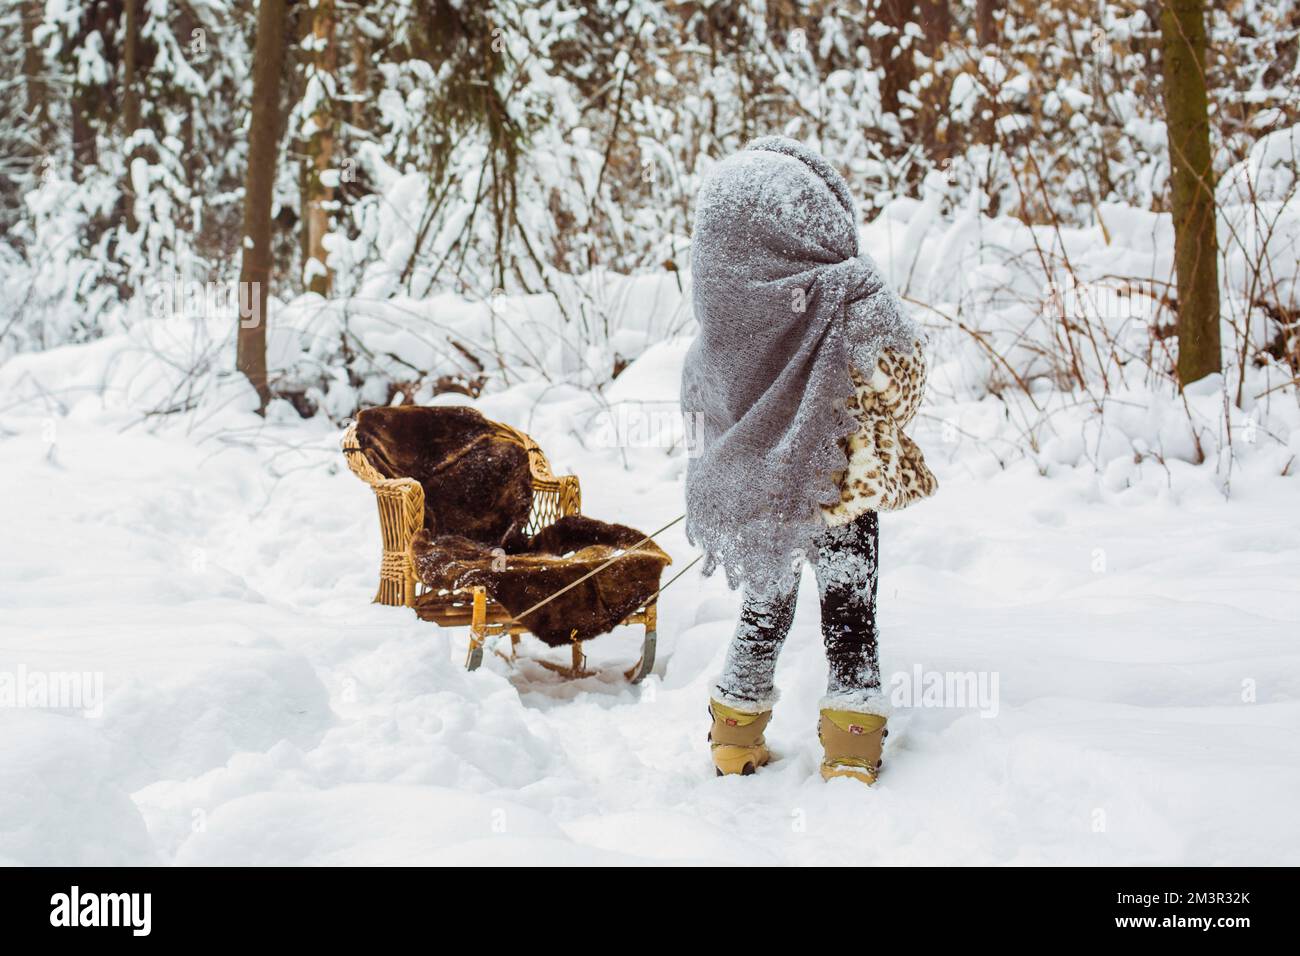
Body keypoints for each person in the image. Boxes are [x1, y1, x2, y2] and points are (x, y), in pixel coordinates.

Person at [680, 137, 937, 785]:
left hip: (760, 498)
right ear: (811, 222)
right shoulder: (848, 296)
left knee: (764, 610)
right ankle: (851, 745)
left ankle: (735, 734)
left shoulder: (718, 332)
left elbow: (699, 427)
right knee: (851, 611)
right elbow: (903, 381)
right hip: (840, 482)